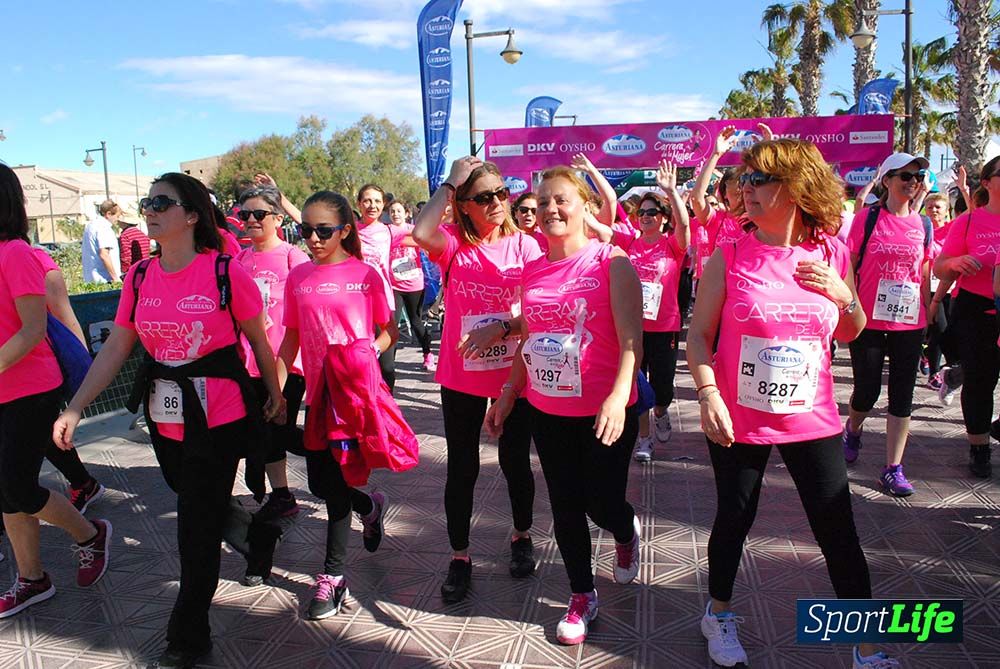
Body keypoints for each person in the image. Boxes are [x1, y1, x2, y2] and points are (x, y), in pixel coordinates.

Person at [53, 172, 285, 668]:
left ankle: (188, 635)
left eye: (163, 201)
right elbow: (118, 345)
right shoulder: (139, 277)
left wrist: (275, 393)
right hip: (166, 415)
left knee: (194, 527)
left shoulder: (226, 272)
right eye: (147, 201)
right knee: (197, 500)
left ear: (193, 215)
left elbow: (260, 342)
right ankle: (257, 536)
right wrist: (75, 407)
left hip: (219, 414)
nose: (151, 209)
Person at [687, 139, 894, 669]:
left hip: (812, 417)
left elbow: (851, 331)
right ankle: (719, 613)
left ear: (796, 187)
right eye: (745, 180)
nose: (746, 189)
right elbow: (699, 338)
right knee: (735, 516)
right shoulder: (730, 252)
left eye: (760, 180)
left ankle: (867, 646)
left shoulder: (830, 252)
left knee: (837, 527)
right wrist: (709, 395)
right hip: (740, 417)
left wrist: (843, 295)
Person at [485, 165, 643, 646]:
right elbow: (532, 336)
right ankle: (581, 594)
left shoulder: (611, 262)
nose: (551, 209)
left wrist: (618, 397)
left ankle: (624, 529)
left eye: (562, 200)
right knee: (566, 505)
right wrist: (510, 393)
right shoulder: (533, 270)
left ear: (586, 207)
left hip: (605, 409)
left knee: (602, 502)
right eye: (544, 201)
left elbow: (633, 340)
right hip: (548, 408)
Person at [413, 157, 542, 604]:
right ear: (463, 205)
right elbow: (419, 233)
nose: (496, 203)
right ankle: (460, 555)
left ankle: (521, 535)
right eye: (483, 197)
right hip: (462, 375)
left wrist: (503, 329)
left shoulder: (526, 247)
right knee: (462, 467)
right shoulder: (451, 244)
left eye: (502, 194)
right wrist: (449, 182)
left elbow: (542, 313)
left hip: (513, 373)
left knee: (514, 463)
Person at [277, 190, 398, 620]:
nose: (312, 238)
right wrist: (276, 390)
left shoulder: (365, 275)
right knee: (321, 484)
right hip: (315, 394)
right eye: (305, 230)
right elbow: (290, 337)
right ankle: (369, 506)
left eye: (322, 230)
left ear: (345, 230)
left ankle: (333, 577)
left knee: (334, 486)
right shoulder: (299, 277)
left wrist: (368, 351)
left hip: (352, 397)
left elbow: (389, 331)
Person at [0, 164, 112, 619]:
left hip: (30, 389)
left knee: (17, 487)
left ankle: (90, 534)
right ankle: (32, 578)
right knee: (5, 491)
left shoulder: (16, 255)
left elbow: (32, 330)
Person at [843, 153, 932, 497]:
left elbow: (923, 271)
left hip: (909, 323)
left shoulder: (923, 224)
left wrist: (931, 310)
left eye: (917, 176)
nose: (912, 183)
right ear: (887, 180)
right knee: (867, 391)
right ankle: (853, 428)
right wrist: (851, 304)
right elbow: (848, 265)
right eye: (905, 176)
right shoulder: (867, 219)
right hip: (868, 320)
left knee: (902, 396)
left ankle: (893, 468)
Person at [235, 185, 311, 528]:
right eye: (245, 214)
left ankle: (330, 452)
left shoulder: (293, 256)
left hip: (286, 361)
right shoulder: (238, 260)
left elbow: (309, 307)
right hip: (248, 362)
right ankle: (282, 495)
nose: (250, 220)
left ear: (278, 219)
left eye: (259, 214)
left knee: (276, 429)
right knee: (265, 431)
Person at [610, 161, 690, 461]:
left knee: (662, 388)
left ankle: (662, 412)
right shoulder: (630, 243)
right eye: (641, 212)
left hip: (665, 326)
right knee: (636, 384)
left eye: (651, 212)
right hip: (634, 327)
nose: (644, 217)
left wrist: (670, 190)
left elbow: (684, 226)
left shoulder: (673, 246)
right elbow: (600, 225)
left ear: (663, 218)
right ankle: (644, 440)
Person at [934, 155, 1000, 478]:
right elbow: (940, 266)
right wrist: (956, 264)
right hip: (975, 309)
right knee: (979, 381)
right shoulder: (970, 221)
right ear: (987, 182)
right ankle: (980, 448)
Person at [31, 246, 105, 512]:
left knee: (43, 433)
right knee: (44, 433)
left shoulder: (33, 259)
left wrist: (84, 376)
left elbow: (64, 314)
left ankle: (84, 489)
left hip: (36, 371)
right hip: (16, 377)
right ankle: (84, 483)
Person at [355, 185, 398, 391]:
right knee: (360, 362)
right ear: (359, 204)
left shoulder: (390, 231)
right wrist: (280, 198)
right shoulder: (348, 231)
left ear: (383, 205)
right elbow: (311, 223)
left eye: (377, 201)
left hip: (383, 304)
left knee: (386, 366)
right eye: (367, 201)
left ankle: (388, 408)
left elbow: (424, 234)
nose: (372, 206)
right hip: (355, 306)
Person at [387, 200, 435, 371]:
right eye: (392, 211)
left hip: (414, 283)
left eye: (399, 211)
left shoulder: (414, 230)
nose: (395, 214)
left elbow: (425, 242)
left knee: (416, 322)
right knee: (392, 323)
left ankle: (427, 353)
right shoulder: (387, 231)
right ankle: (388, 363)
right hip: (394, 285)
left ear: (406, 213)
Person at [81, 200, 122, 284]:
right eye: (117, 216)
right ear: (108, 214)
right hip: (105, 280)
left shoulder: (91, 226)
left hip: (91, 279)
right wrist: (116, 278)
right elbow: (104, 254)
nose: (117, 219)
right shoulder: (104, 228)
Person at [118, 207, 151, 277]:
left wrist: (125, 273)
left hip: (134, 271)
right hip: (146, 268)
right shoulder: (143, 235)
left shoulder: (125, 236)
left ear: (124, 222)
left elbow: (126, 258)